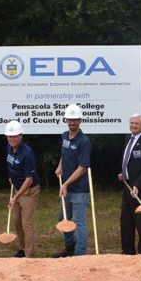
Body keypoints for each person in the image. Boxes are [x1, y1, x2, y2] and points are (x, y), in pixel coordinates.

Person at [52, 104, 92, 258]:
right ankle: (70, 247)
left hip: (79, 189)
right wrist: (60, 166)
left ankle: (79, 255)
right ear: (66, 120)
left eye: (75, 120)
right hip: (66, 187)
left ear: (80, 120)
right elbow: (65, 153)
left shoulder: (84, 141)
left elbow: (82, 167)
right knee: (63, 219)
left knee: (79, 222)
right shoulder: (64, 136)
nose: (72, 122)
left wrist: (66, 184)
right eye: (70, 119)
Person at [117, 113, 141, 255]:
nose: (133, 126)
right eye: (132, 123)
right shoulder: (128, 138)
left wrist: (138, 184)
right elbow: (127, 160)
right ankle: (127, 251)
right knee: (126, 221)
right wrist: (124, 173)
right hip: (127, 188)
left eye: (137, 123)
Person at [5, 120, 40, 258]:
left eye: (14, 136)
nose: (12, 139)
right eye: (9, 136)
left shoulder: (27, 153)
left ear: (21, 136)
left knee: (26, 223)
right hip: (17, 188)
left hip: (29, 191)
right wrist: (11, 177)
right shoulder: (9, 147)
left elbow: (29, 179)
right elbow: (11, 165)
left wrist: (15, 197)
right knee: (17, 222)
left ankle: (29, 255)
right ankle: (22, 248)